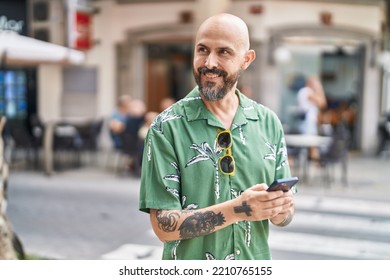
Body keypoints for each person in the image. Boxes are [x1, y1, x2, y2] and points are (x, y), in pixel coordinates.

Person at [139, 13, 295, 260]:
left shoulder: (268, 123)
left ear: (246, 59)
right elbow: (163, 227)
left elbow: (286, 214)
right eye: (202, 50)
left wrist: (278, 209)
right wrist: (240, 209)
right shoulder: (166, 127)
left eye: (224, 52)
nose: (209, 62)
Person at [296, 75, 327, 160]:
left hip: (307, 122)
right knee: (311, 145)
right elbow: (322, 103)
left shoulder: (304, 91)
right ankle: (314, 163)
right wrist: (320, 89)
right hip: (308, 123)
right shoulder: (307, 91)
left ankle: (309, 163)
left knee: (309, 146)